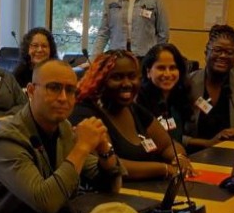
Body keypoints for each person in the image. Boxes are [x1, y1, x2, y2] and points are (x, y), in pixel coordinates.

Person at [0, 59, 123, 213]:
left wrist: (104, 149)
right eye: (54, 88)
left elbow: (110, 187)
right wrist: (82, 147)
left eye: (70, 90)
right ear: (31, 91)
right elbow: (46, 202)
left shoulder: (63, 128)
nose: (63, 98)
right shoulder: (8, 138)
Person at [71, 50, 192, 180]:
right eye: (117, 77)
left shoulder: (134, 109)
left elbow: (168, 145)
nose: (127, 84)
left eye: (132, 76)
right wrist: (164, 169)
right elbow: (112, 164)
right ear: (100, 80)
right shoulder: (86, 113)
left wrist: (179, 158)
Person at [136, 42, 193, 144]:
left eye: (172, 68)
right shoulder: (139, 101)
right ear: (148, 72)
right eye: (161, 68)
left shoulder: (180, 97)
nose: (167, 74)